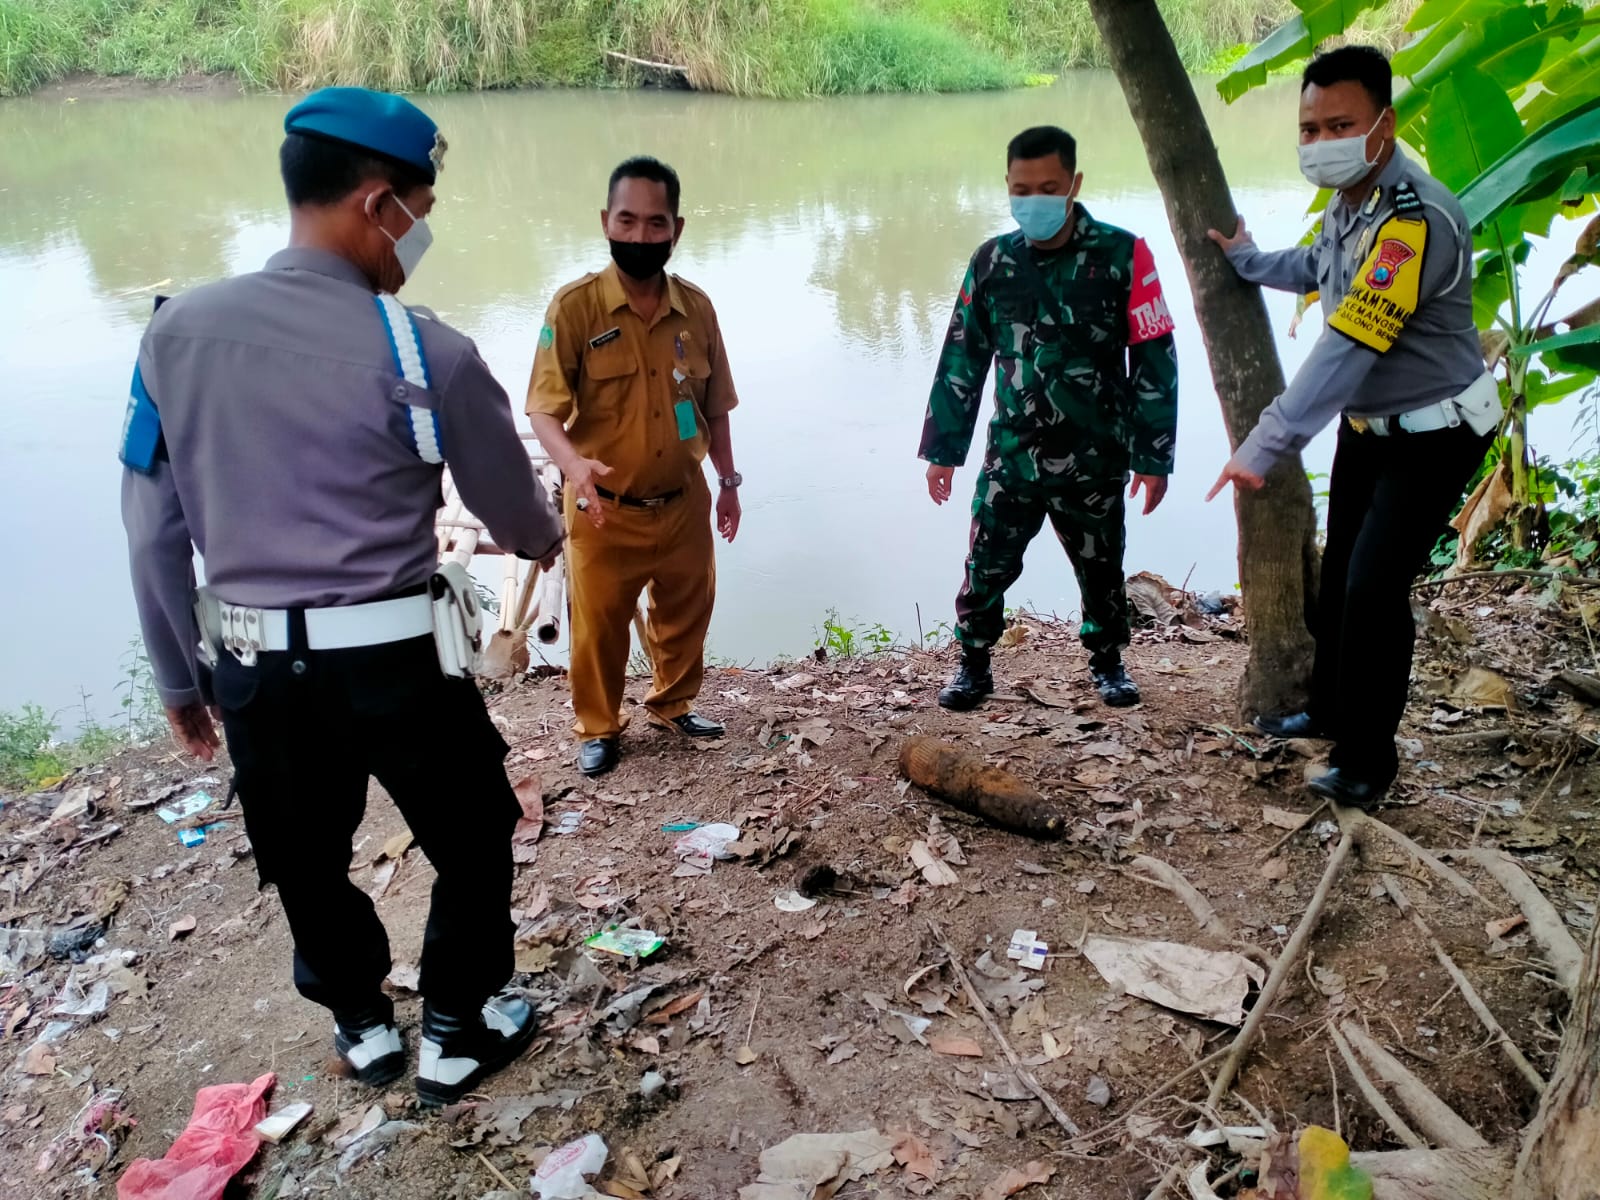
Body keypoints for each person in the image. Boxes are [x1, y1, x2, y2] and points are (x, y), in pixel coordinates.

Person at [119, 88, 565, 1107]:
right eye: (420, 205)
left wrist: (181, 681)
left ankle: (362, 1024)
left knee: (304, 853)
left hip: (254, 671)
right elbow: (517, 515)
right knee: (470, 834)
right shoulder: (428, 352)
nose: (422, 230)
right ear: (377, 204)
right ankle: (454, 1029)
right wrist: (545, 530)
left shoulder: (173, 335)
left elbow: (153, 529)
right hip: (398, 663)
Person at [1206, 46, 1496, 809]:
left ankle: (1368, 762)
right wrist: (1248, 260)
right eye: (1309, 128)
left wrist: (1267, 442)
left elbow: (1350, 340)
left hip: (1437, 434)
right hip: (1371, 430)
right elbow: (1318, 267)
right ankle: (1331, 711)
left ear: (1383, 125)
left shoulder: (1414, 223)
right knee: (1340, 577)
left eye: (1340, 124)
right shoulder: (1354, 204)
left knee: (1373, 589)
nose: (1320, 141)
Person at [921, 125, 1179, 711]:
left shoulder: (1123, 254)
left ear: (1074, 184)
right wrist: (943, 449)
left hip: (1094, 454)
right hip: (1011, 453)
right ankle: (973, 663)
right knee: (984, 566)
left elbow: (1154, 357)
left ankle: (1108, 662)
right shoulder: (992, 261)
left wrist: (1153, 454)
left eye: (1047, 187)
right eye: (1020, 189)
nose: (1032, 200)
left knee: (1101, 568)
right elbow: (964, 354)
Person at [526, 156, 741, 777]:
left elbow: (717, 407)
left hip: (682, 501)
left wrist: (727, 483)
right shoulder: (574, 310)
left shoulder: (696, 311)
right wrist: (571, 465)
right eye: (628, 220)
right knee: (597, 631)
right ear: (605, 221)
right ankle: (598, 726)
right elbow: (542, 409)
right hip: (602, 511)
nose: (641, 236)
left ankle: (673, 703)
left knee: (687, 609)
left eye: (655, 223)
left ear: (677, 228)